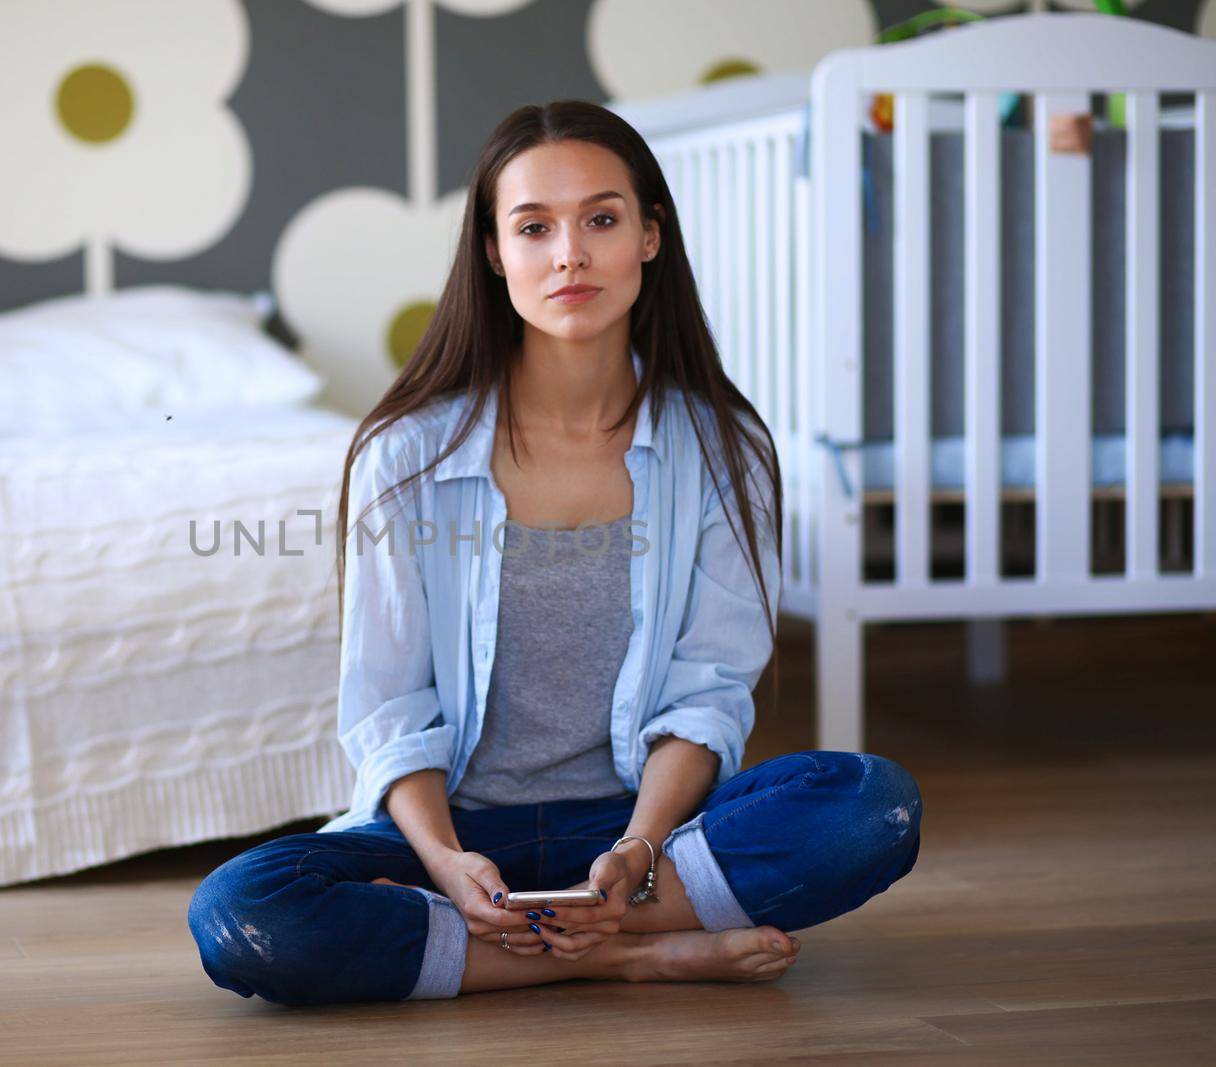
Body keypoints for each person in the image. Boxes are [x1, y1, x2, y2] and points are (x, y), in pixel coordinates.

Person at [186, 100, 921, 1007]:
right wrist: (449, 860)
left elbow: (708, 693)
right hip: (456, 837)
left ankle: (564, 929)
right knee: (242, 911)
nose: (569, 254)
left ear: (650, 236)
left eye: (601, 220)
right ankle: (630, 953)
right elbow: (388, 704)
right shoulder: (407, 453)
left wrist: (640, 851)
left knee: (867, 802)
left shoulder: (723, 448)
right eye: (534, 227)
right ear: (495, 252)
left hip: (639, 831)